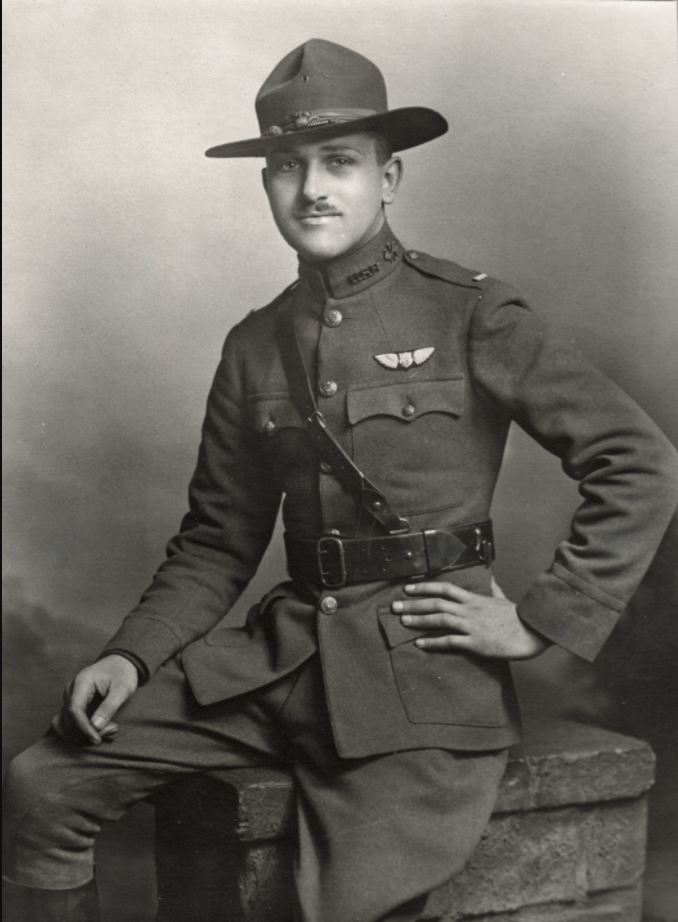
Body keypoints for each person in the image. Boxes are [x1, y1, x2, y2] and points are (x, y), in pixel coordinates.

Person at [3, 38, 678, 922]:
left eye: (340, 163)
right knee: (43, 786)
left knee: (333, 907)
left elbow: (639, 461)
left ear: (388, 178)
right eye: (288, 165)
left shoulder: (469, 311)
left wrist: (538, 623)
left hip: (420, 685)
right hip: (280, 666)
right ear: (266, 183)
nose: (313, 188)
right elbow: (217, 540)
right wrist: (130, 656)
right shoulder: (255, 345)